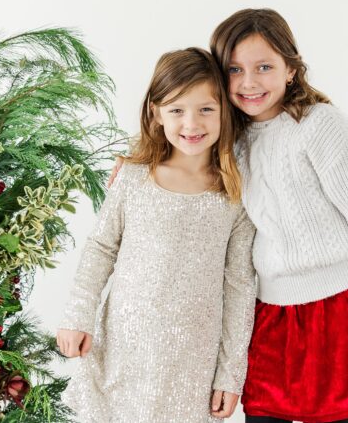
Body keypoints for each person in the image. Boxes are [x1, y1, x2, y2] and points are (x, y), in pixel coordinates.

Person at [210, 8, 348, 423]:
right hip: (272, 315)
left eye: (264, 67)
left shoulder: (319, 126)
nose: (249, 82)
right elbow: (176, 134)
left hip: (337, 310)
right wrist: (137, 164)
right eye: (234, 69)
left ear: (291, 69)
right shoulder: (230, 138)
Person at [56, 48, 257, 423]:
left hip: (191, 363)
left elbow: (239, 286)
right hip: (124, 350)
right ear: (156, 112)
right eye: (177, 110)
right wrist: (77, 315)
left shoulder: (234, 194)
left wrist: (230, 374)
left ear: (225, 113)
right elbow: (101, 247)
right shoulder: (133, 178)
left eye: (206, 109)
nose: (192, 123)